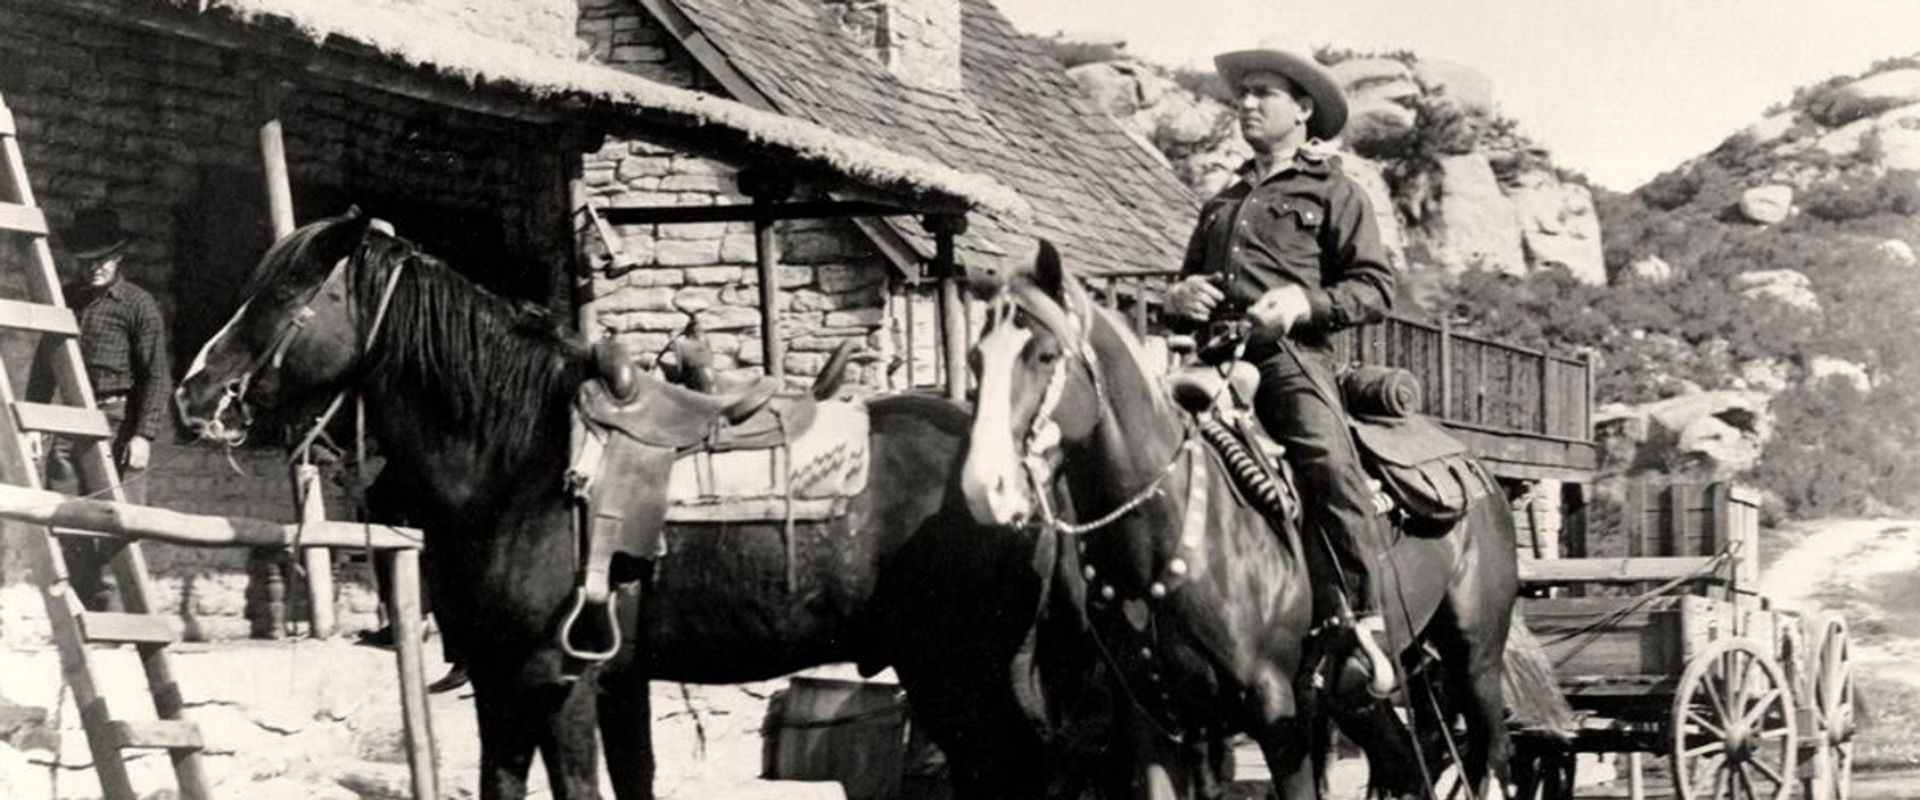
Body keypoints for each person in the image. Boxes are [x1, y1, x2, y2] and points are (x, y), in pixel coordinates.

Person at [1162, 47, 1399, 696]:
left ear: (1303, 111)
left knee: (1327, 462)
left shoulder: (1334, 191)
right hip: (1211, 361)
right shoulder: (1221, 202)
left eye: (1264, 92)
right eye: (1243, 93)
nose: (1247, 102)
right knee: (1133, 446)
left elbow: (1376, 290)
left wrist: (1304, 304)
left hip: (1291, 361)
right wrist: (1178, 298)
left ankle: (1364, 627)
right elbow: (1185, 285)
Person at [27, 206, 173, 611]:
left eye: (102, 260)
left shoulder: (138, 306)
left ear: (119, 257)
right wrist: (37, 422)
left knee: (116, 518)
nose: (94, 269)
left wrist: (144, 434)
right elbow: (45, 363)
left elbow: (156, 376)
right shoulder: (67, 301)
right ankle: (83, 609)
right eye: (86, 261)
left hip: (118, 422)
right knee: (64, 509)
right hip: (71, 417)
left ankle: (115, 615)